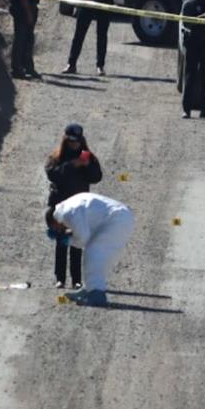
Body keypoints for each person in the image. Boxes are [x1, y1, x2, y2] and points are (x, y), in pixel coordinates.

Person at [47, 192, 136, 307]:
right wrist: (70, 234)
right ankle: (90, 288)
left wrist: (67, 240)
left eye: (57, 228)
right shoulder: (68, 207)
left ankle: (97, 295)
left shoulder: (68, 213)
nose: (60, 230)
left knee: (94, 252)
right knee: (99, 256)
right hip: (119, 218)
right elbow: (84, 229)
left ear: (55, 221)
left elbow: (83, 239)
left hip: (116, 220)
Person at [45, 124, 103, 290]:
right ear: (66, 140)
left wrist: (87, 165)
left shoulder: (88, 156)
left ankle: (76, 279)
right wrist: (73, 165)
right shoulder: (57, 157)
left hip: (79, 207)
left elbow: (96, 177)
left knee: (77, 242)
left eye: (76, 142)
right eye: (71, 142)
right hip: (61, 206)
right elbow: (53, 174)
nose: (74, 145)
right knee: (61, 242)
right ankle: (60, 278)